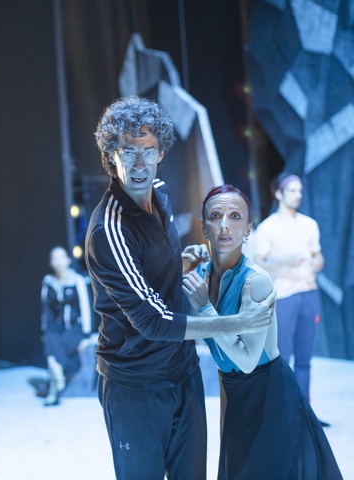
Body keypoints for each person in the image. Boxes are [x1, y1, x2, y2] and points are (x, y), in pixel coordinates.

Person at [85, 96, 275, 479]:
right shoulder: (110, 230)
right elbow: (153, 321)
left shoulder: (160, 194)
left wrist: (180, 264)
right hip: (135, 385)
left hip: (183, 372)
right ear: (110, 156)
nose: (139, 164)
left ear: (161, 153)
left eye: (148, 151)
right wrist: (238, 322)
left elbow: (151, 279)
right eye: (127, 152)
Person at [182, 184, 342, 479]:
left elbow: (246, 360)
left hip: (269, 394)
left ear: (248, 229)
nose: (224, 225)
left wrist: (205, 309)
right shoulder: (201, 276)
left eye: (235, 216)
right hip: (234, 392)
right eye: (215, 216)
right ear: (204, 227)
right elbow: (186, 332)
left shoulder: (255, 280)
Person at [251, 173, 324, 403]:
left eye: (299, 190)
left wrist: (317, 262)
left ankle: (304, 410)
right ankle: (284, 409)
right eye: (292, 190)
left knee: (305, 359)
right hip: (283, 296)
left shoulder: (309, 224)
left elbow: (318, 256)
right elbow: (258, 262)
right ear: (279, 193)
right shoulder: (267, 227)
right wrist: (284, 260)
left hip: (308, 292)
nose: (297, 195)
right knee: (282, 357)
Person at [40, 246, 92, 406]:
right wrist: (45, 330)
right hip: (57, 327)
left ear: (68, 260)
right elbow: (46, 310)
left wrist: (86, 335)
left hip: (75, 328)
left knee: (55, 345)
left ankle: (54, 389)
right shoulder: (48, 281)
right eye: (54, 258)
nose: (58, 261)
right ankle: (58, 379)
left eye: (61, 257)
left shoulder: (77, 280)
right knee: (50, 338)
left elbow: (85, 307)